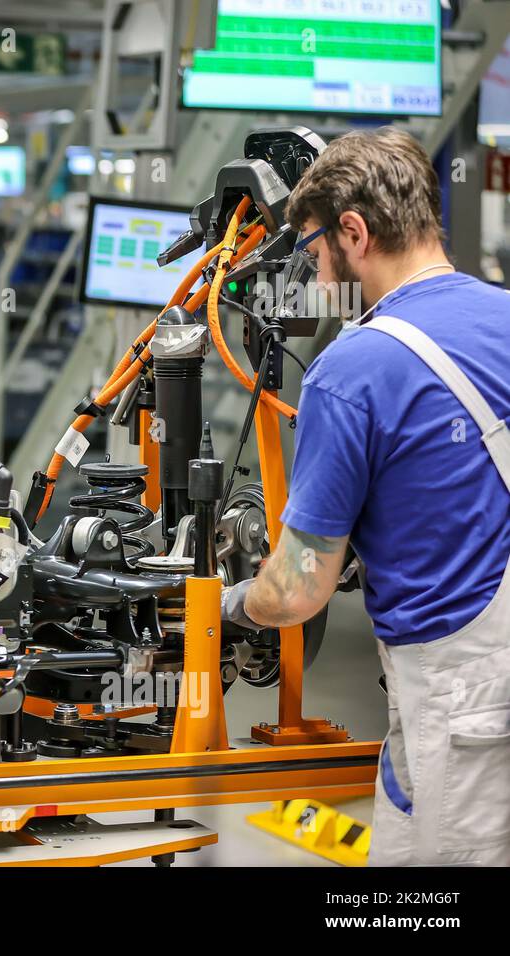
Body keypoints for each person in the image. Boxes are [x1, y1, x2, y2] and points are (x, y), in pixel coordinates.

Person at [220, 127, 510, 865]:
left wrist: (229, 605)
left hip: (464, 711)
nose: (318, 282)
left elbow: (295, 593)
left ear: (354, 231)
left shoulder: (353, 368)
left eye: (316, 255)